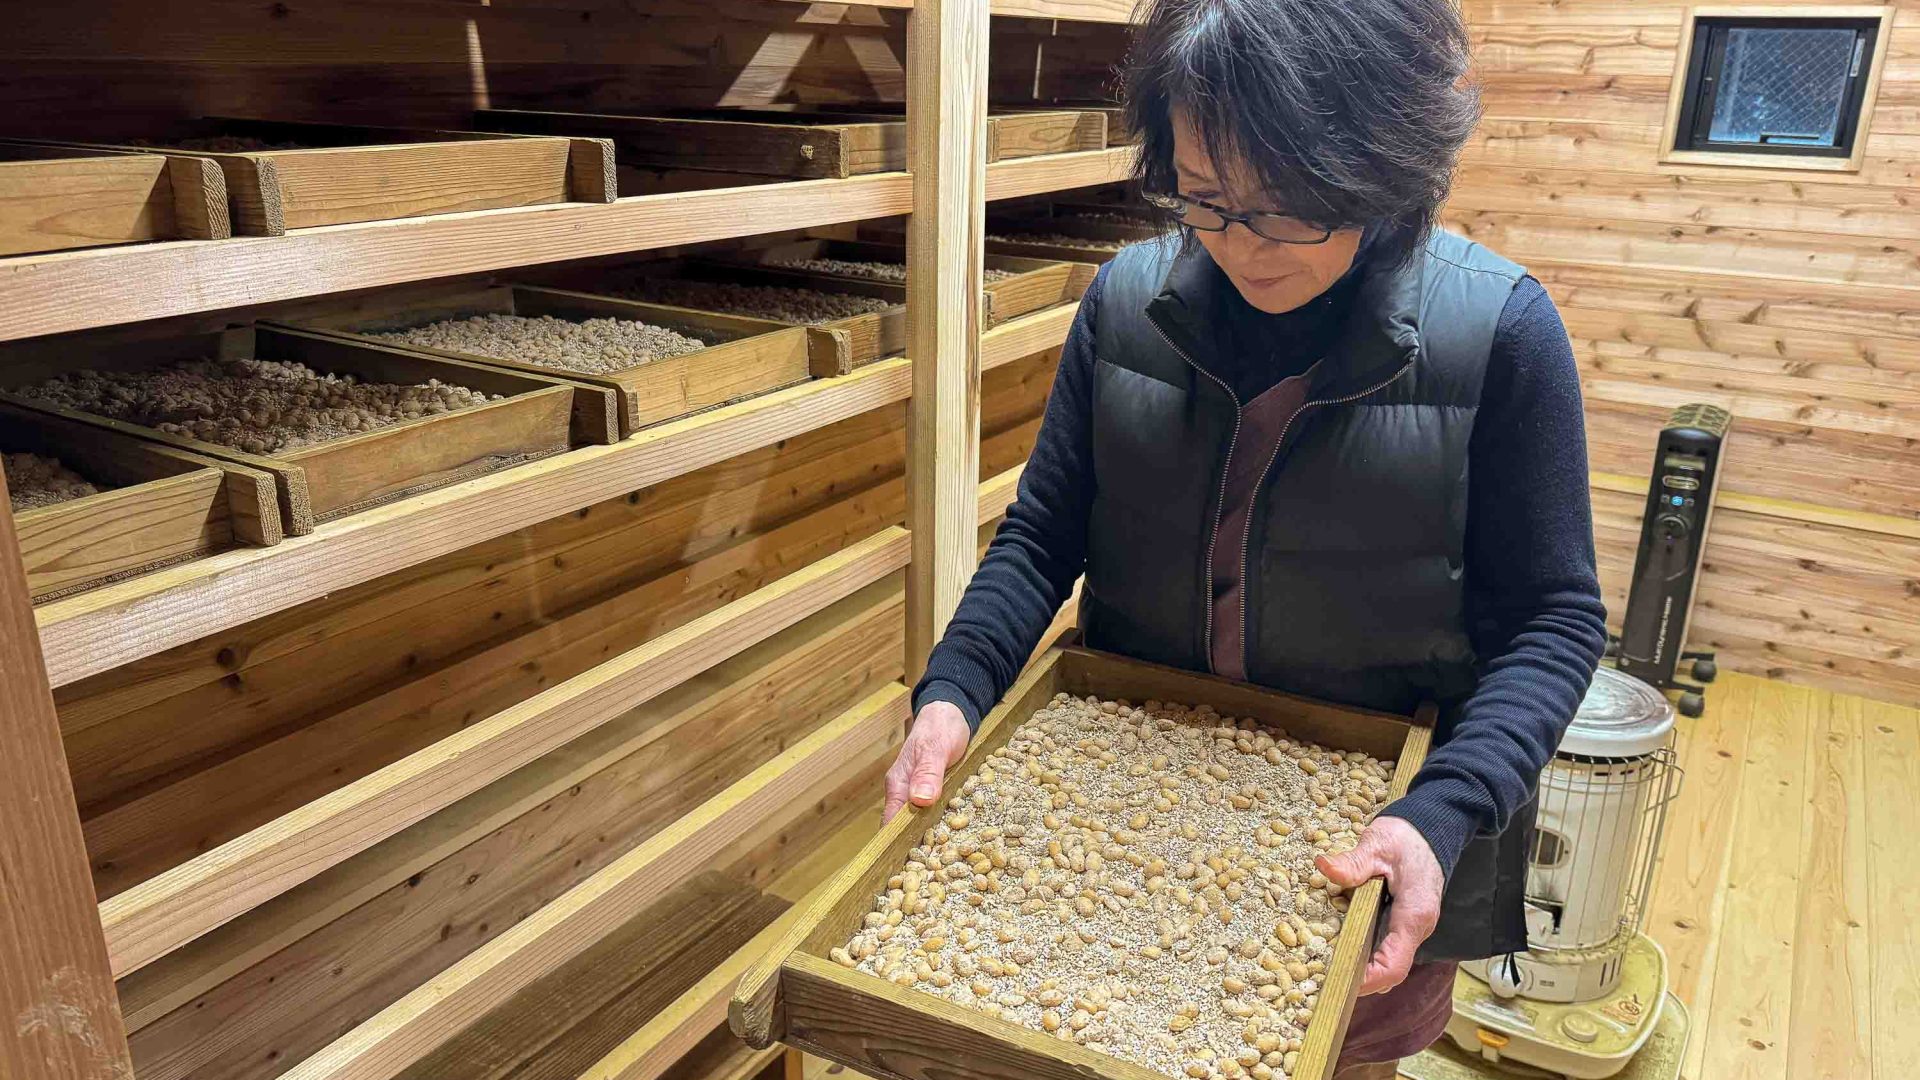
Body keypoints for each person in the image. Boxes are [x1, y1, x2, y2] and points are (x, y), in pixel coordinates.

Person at [882, 0, 1609, 1074]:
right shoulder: (1125, 305)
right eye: (1206, 200)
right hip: (1122, 823)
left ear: (1383, 163)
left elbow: (1555, 620)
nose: (1241, 246)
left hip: (1352, 849)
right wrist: (953, 691)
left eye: (1292, 206)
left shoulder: (1500, 334)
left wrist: (1445, 809)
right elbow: (1042, 537)